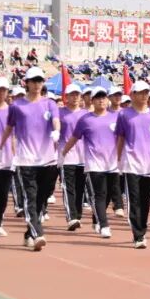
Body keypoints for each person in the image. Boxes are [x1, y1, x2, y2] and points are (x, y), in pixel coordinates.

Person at [0, 67, 60, 251]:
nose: (37, 84)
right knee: (30, 198)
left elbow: (56, 120)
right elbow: (9, 128)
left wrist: (57, 131)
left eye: (40, 80)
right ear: (27, 83)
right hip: (26, 160)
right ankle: (38, 233)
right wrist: (2, 147)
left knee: (42, 197)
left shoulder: (50, 104)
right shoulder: (17, 106)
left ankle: (28, 234)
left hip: (48, 160)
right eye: (34, 81)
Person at [115, 81, 150, 249]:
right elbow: (120, 138)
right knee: (134, 199)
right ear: (132, 95)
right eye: (140, 92)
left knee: (145, 200)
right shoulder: (124, 114)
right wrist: (118, 160)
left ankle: (142, 229)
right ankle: (138, 235)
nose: (144, 95)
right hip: (131, 163)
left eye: (146, 92)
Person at [62, 86, 119, 238]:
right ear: (92, 101)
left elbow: (122, 139)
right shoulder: (85, 120)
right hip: (94, 164)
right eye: (98, 98)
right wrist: (63, 154)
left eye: (103, 97)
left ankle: (97, 218)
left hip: (112, 164)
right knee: (99, 195)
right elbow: (74, 138)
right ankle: (104, 225)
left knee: (107, 195)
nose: (101, 100)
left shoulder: (115, 118)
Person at [58, 83, 87, 231]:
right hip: (66, 156)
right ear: (66, 97)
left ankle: (77, 215)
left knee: (80, 188)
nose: (75, 97)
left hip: (83, 157)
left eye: (77, 94)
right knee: (68, 187)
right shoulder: (59, 113)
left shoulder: (86, 114)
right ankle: (71, 217)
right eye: (72, 94)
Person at [0, 78, 13, 240]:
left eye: (4, 90)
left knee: (3, 195)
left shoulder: (12, 112)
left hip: (7, 159)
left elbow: (17, 136)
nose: (1, 93)